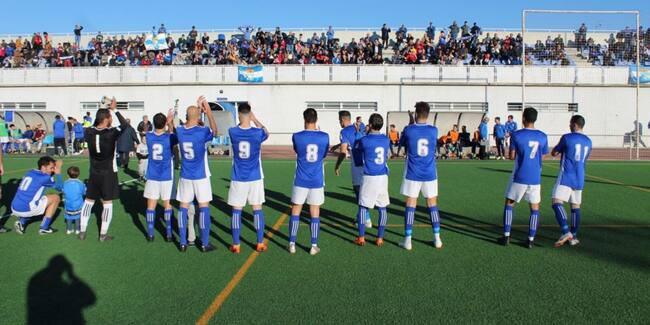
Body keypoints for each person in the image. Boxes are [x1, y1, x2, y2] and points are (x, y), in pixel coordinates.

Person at [79, 97, 128, 242]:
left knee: (88, 201)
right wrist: (115, 109)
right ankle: (103, 234)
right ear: (106, 119)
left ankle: (82, 231)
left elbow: (95, 126)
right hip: (108, 172)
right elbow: (125, 125)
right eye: (110, 117)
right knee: (107, 203)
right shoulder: (111, 132)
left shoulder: (88, 132)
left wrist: (103, 109)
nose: (112, 119)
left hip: (94, 172)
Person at [500, 107, 549, 249]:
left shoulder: (517, 135)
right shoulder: (543, 136)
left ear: (523, 118)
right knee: (534, 208)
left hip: (520, 175)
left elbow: (512, 156)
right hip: (535, 178)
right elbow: (543, 156)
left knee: (509, 204)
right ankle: (530, 240)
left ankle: (506, 236)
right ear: (535, 119)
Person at [175, 96, 218, 253]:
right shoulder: (202, 131)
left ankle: (182, 242)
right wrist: (209, 112)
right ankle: (204, 243)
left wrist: (198, 110)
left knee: (183, 207)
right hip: (201, 175)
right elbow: (215, 131)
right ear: (199, 117)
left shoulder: (179, 131)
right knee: (204, 206)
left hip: (186, 174)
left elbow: (187, 124)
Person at [399, 102, 442, 250]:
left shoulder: (408, 129)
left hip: (413, 172)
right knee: (432, 205)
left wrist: (410, 122)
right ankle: (437, 239)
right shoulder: (434, 130)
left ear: (416, 113)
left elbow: (402, 143)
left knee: (410, 205)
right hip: (430, 172)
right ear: (428, 114)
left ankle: (408, 240)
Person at [228, 103, 269, 254]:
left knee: (236, 210)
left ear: (239, 114)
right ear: (249, 115)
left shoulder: (232, 131)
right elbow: (267, 132)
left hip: (238, 177)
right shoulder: (257, 133)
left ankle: (236, 244)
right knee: (257, 208)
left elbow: (240, 126)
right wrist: (255, 119)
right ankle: (259, 242)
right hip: (255, 176)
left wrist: (247, 118)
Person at [288, 108, 329, 255]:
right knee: (314, 211)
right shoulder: (324, 136)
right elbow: (323, 154)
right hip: (316, 179)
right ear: (316, 119)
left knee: (296, 209)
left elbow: (297, 150)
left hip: (301, 178)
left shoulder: (297, 136)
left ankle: (292, 243)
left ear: (304, 119)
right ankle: (313, 245)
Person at [551, 115, 591, 247]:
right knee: (575, 206)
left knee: (556, 202)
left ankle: (565, 231)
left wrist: (558, 149)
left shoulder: (567, 137)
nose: (569, 125)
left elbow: (554, 153)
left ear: (575, 124)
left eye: (570, 123)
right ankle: (573, 236)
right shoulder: (588, 141)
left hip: (567, 175)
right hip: (580, 177)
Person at [353, 113, 390, 246]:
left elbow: (357, 154)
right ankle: (380, 238)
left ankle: (361, 237)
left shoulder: (365, 140)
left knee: (363, 206)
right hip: (382, 176)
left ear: (370, 124)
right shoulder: (386, 139)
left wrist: (358, 133)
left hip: (369, 176)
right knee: (382, 207)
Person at [143, 112, 177, 242]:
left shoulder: (149, 136)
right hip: (166, 175)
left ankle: (150, 234)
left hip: (152, 175)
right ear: (164, 123)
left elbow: (148, 131)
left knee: (151, 206)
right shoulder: (169, 137)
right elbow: (173, 134)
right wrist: (170, 122)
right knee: (167, 205)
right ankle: (168, 234)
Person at [335, 110, 372, 228]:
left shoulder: (344, 131)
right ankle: (363, 216)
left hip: (357, 163)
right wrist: (338, 144)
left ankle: (366, 218)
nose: (339, 122)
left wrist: (337, 165)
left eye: (339, 120)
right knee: (366, 190)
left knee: (358, 191)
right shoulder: (360, 125)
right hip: (369, 161)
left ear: (342, 120)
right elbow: (358, 139)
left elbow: (343, 152)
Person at [12, 156, 63, 235]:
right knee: (56, 198)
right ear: (43, 167)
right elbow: (60, 188)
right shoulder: (46, 177)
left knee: (36, 197)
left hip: (14, 207)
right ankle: (44, 228)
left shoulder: (30, 172)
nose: (53, 170)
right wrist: (58, 173)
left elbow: (44, 177)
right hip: (27, 209)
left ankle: (21, 222)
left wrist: (52, 166)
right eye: (51, 168)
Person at [63, 166, 86, 235]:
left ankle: (69, 229)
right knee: (77, 217)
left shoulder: (65, 183)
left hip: (68, 204)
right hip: (78, 204)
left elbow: (64, 191)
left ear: (67, 175)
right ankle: (77, 230)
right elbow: (84, 192)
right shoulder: (81, 183)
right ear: (78, 174)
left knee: (68, 217)